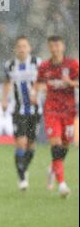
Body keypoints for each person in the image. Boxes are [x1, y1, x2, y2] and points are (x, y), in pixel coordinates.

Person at [32, 36, 79, 197]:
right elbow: (38, 82)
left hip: (69, 111)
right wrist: (34, 92)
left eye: (57, 45)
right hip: (51, 110)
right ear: (49, 48)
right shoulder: (44, 66)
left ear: (63, 47)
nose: (55, 49)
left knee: (64, 147)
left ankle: (53, 169)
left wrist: (70, 83)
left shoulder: (72, 64)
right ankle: (62, 185)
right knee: (56, 145)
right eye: (52, 46)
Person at [1, 36, 42, 191]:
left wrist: (36, 91)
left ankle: (23, 169)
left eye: (24, 46)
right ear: (15, 49)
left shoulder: (37, 63)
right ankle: (22, 176)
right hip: (18, 110)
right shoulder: (10, 65)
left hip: (35, 110)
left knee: (31, 145)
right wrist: (4, 100)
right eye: (19, 46)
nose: (22, 49)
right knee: (21, 142)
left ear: (29, 48)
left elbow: (44, 82)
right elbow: (6, 83)